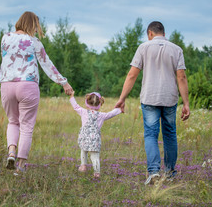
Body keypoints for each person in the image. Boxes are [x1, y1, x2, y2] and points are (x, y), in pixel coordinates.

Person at [115, 21, 190, 185]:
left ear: (150, 33)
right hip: (170, 98)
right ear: (163, 32)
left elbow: (132, 75)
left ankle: (154, 172)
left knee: (150, 134)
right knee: (170, 135)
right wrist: (186, 103)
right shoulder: (176, 49)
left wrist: (122, 98)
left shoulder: (144, 48)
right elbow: (181, 77)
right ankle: (170, 173)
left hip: (149, 97)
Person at [0, 11, 73, 173]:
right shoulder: (34, 42)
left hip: (7, 84)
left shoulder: (5, 37)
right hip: (27, 85)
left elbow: (5, 60)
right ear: (33, 25)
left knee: (13, 121)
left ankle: (11, 152)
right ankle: (20, 167)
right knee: (26, 127)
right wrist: (64, 82)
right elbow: (47, 64)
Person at [69, 91, 122, 178]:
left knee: (83, 150)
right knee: (95, 156)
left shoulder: (83, 111)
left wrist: (71, 97)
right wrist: (120, 109)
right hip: (95, 139)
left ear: (87, 103)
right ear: (100, 104)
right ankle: (97, 173)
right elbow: (112, 113)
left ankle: (83, 165)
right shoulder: (102, 115)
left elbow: (75, 106)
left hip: (84, 137)